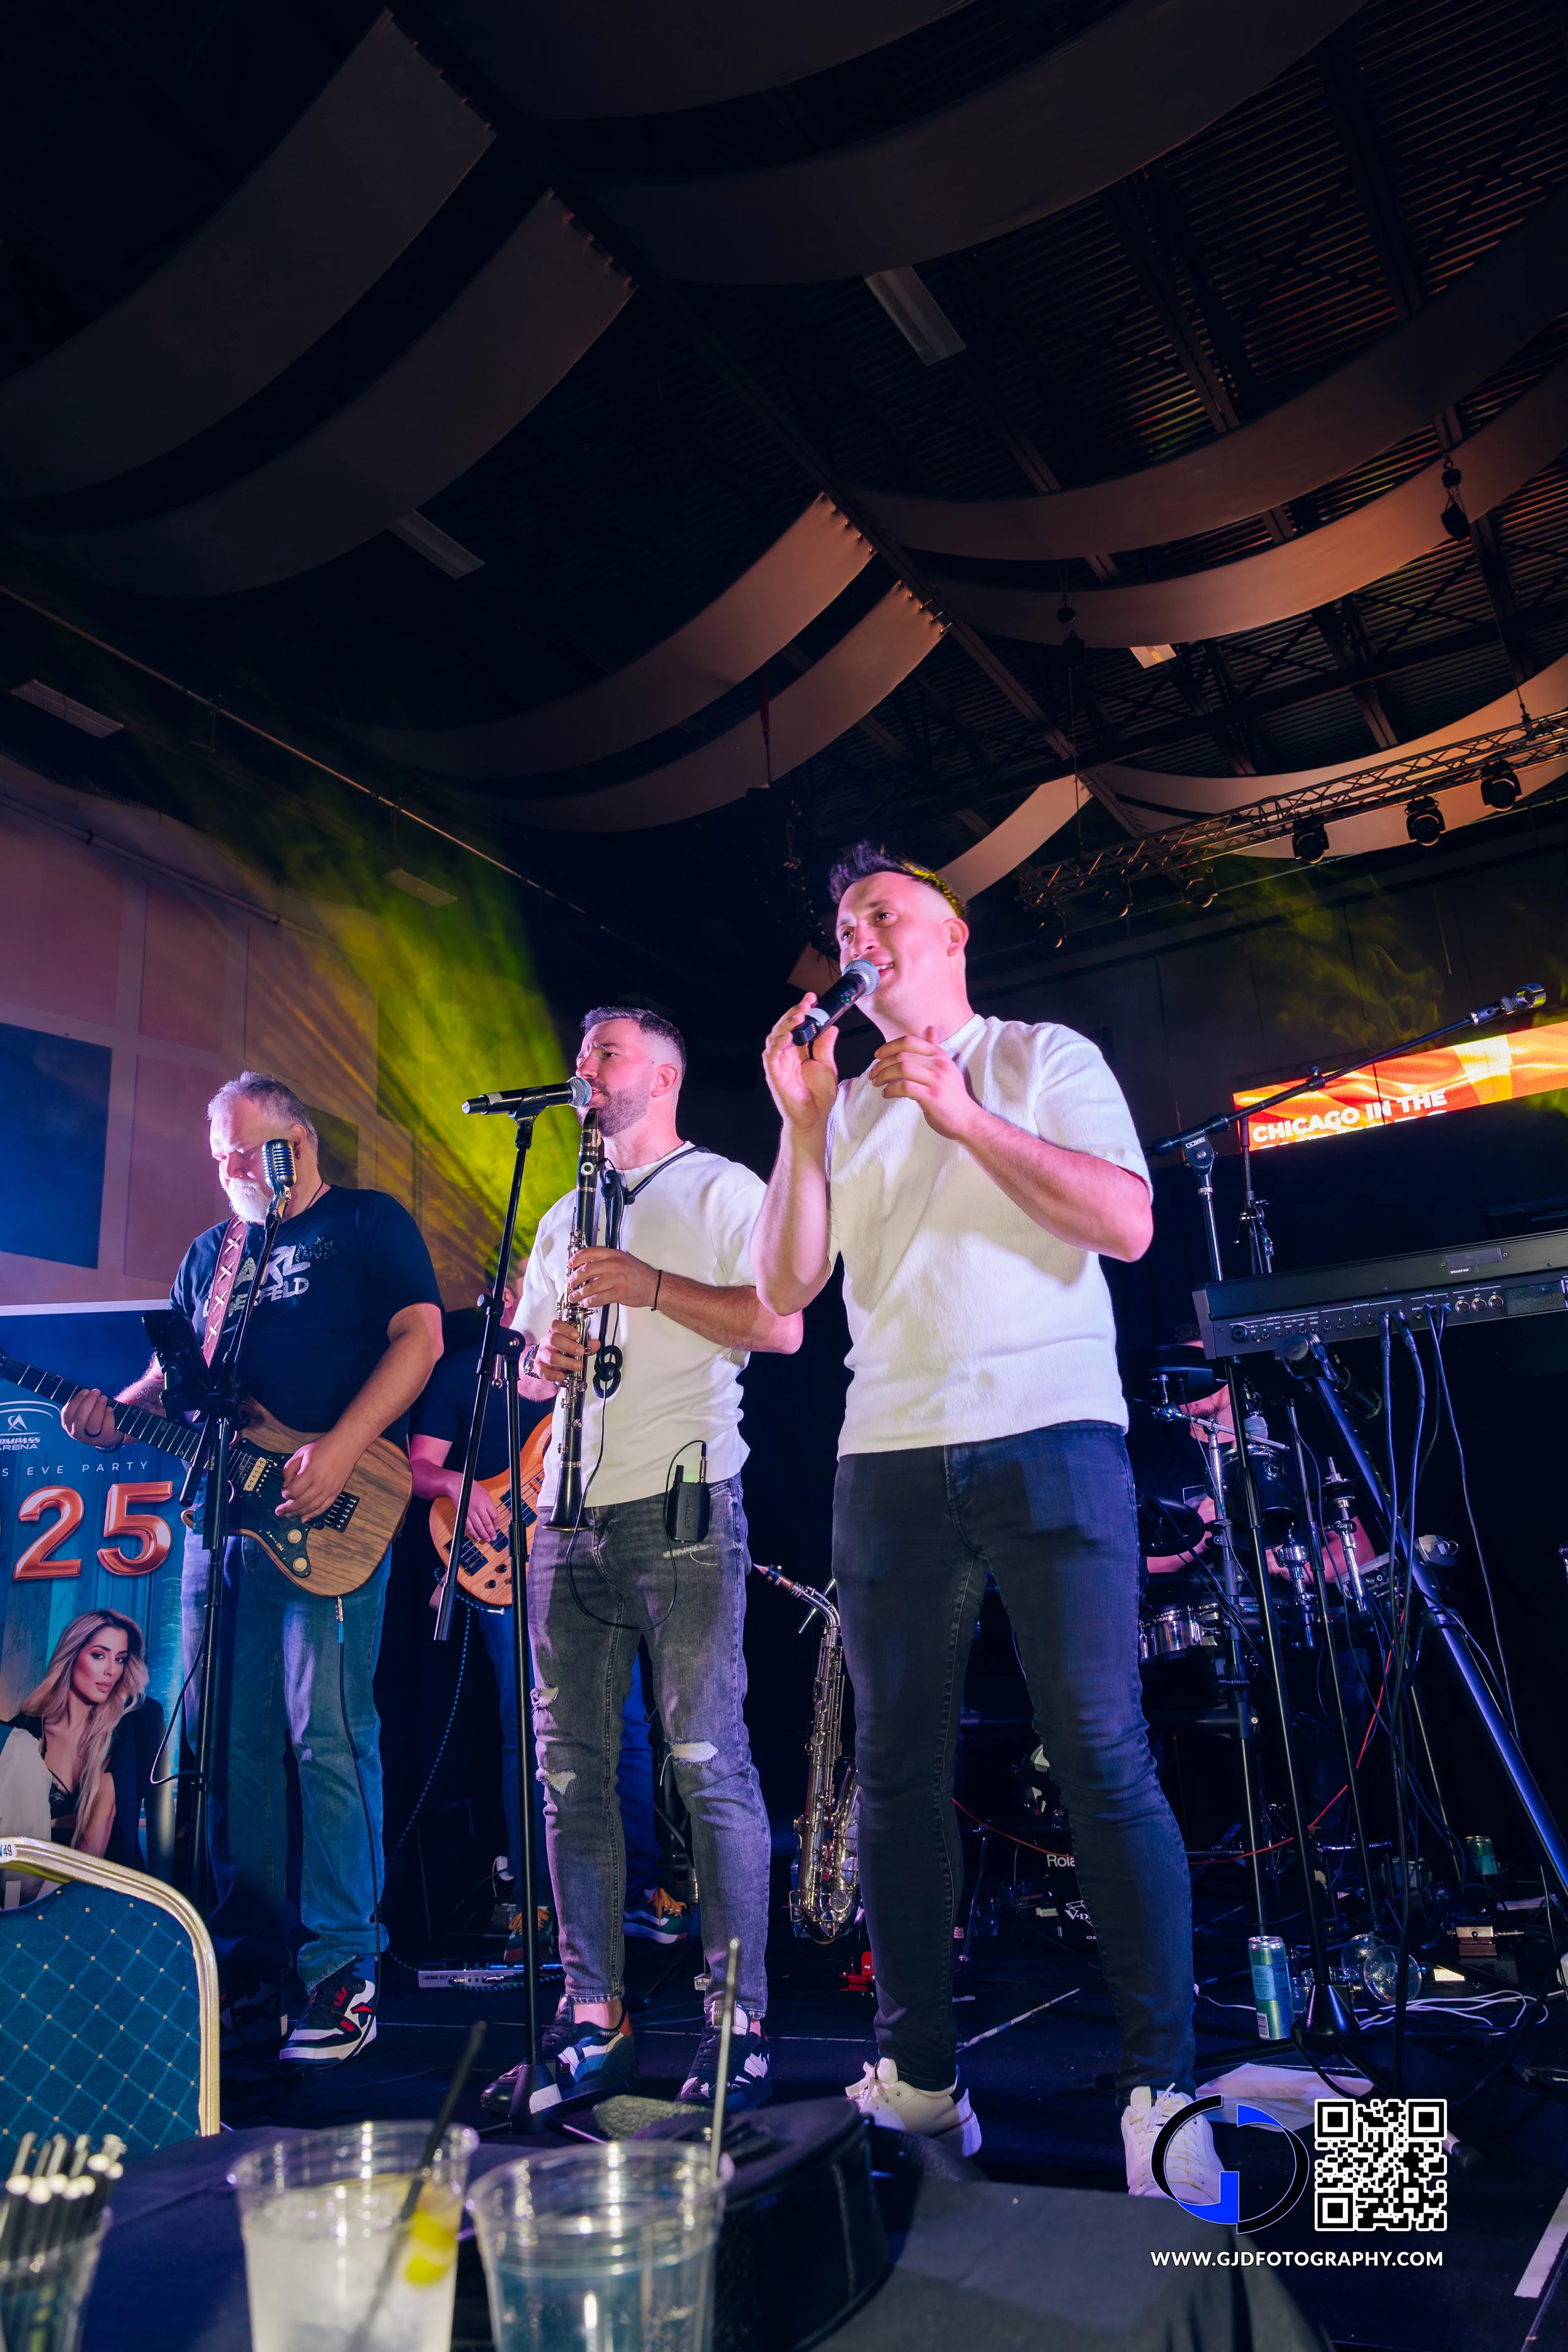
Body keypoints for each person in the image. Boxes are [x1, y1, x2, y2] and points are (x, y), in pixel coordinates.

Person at [753, 843, 1222, 2200]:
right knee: (895, 1776)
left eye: (881, 915)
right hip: (888, 1458)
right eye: (843, 923)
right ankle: (920, 2081)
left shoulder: (1038, 1057)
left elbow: (1126, 1226)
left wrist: (958, 1114)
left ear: (949, 937)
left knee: (1100, 1752)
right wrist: (795, 1123)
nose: (860, 937)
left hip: (1053, 1436)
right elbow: (786, 1292)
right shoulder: (838, 1109)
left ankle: (1158, 2091)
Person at [63, 1072, 442, 2065]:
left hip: (335, 1508)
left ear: (297, 1140)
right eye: (218, 1154)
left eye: (243, 1149)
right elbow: (177, 1377)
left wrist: (345, 1445)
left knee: (328, 1737)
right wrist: (120, 1403)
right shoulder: (214, 1253)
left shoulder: (365, 1224)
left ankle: (343, 1969)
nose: (227, 1168)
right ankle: (255, 1963)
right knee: (230, 1750)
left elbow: (422, 1338)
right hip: (225, 1526)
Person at [480, 1007, 801, 2117]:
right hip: (566, 1518)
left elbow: (781, 1325)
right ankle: (591, 2017)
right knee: (568, 1776)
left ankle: (735, 2017)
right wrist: (543, 1354)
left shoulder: (721, 1188)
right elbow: (530, 1368)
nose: (585, 1069)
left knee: (707, 1759)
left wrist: (649, 1287)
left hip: (683, 1508)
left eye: (605, 1053)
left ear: (662, 1073)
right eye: (582, 1053)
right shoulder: (566, 1209)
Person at [408, 1301, 694, 1957]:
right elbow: (417, 1468)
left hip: (591, 1565)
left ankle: (635, 1893)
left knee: (622, 1724)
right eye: (514, 1291)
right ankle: (538, 1901)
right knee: (528, 1735)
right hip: (500, 1571)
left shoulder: (593, 1374)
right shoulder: (462, 1378)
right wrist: (462, 1485)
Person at [0, 1610, 161, 1866]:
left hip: (102, 1889)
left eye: (120, 1659)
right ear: (71, 1655)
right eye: (99, 1655)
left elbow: (98, 1839)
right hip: (22, 1886)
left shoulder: (129, 1728)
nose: (111, 1671)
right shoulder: (22, 1733)